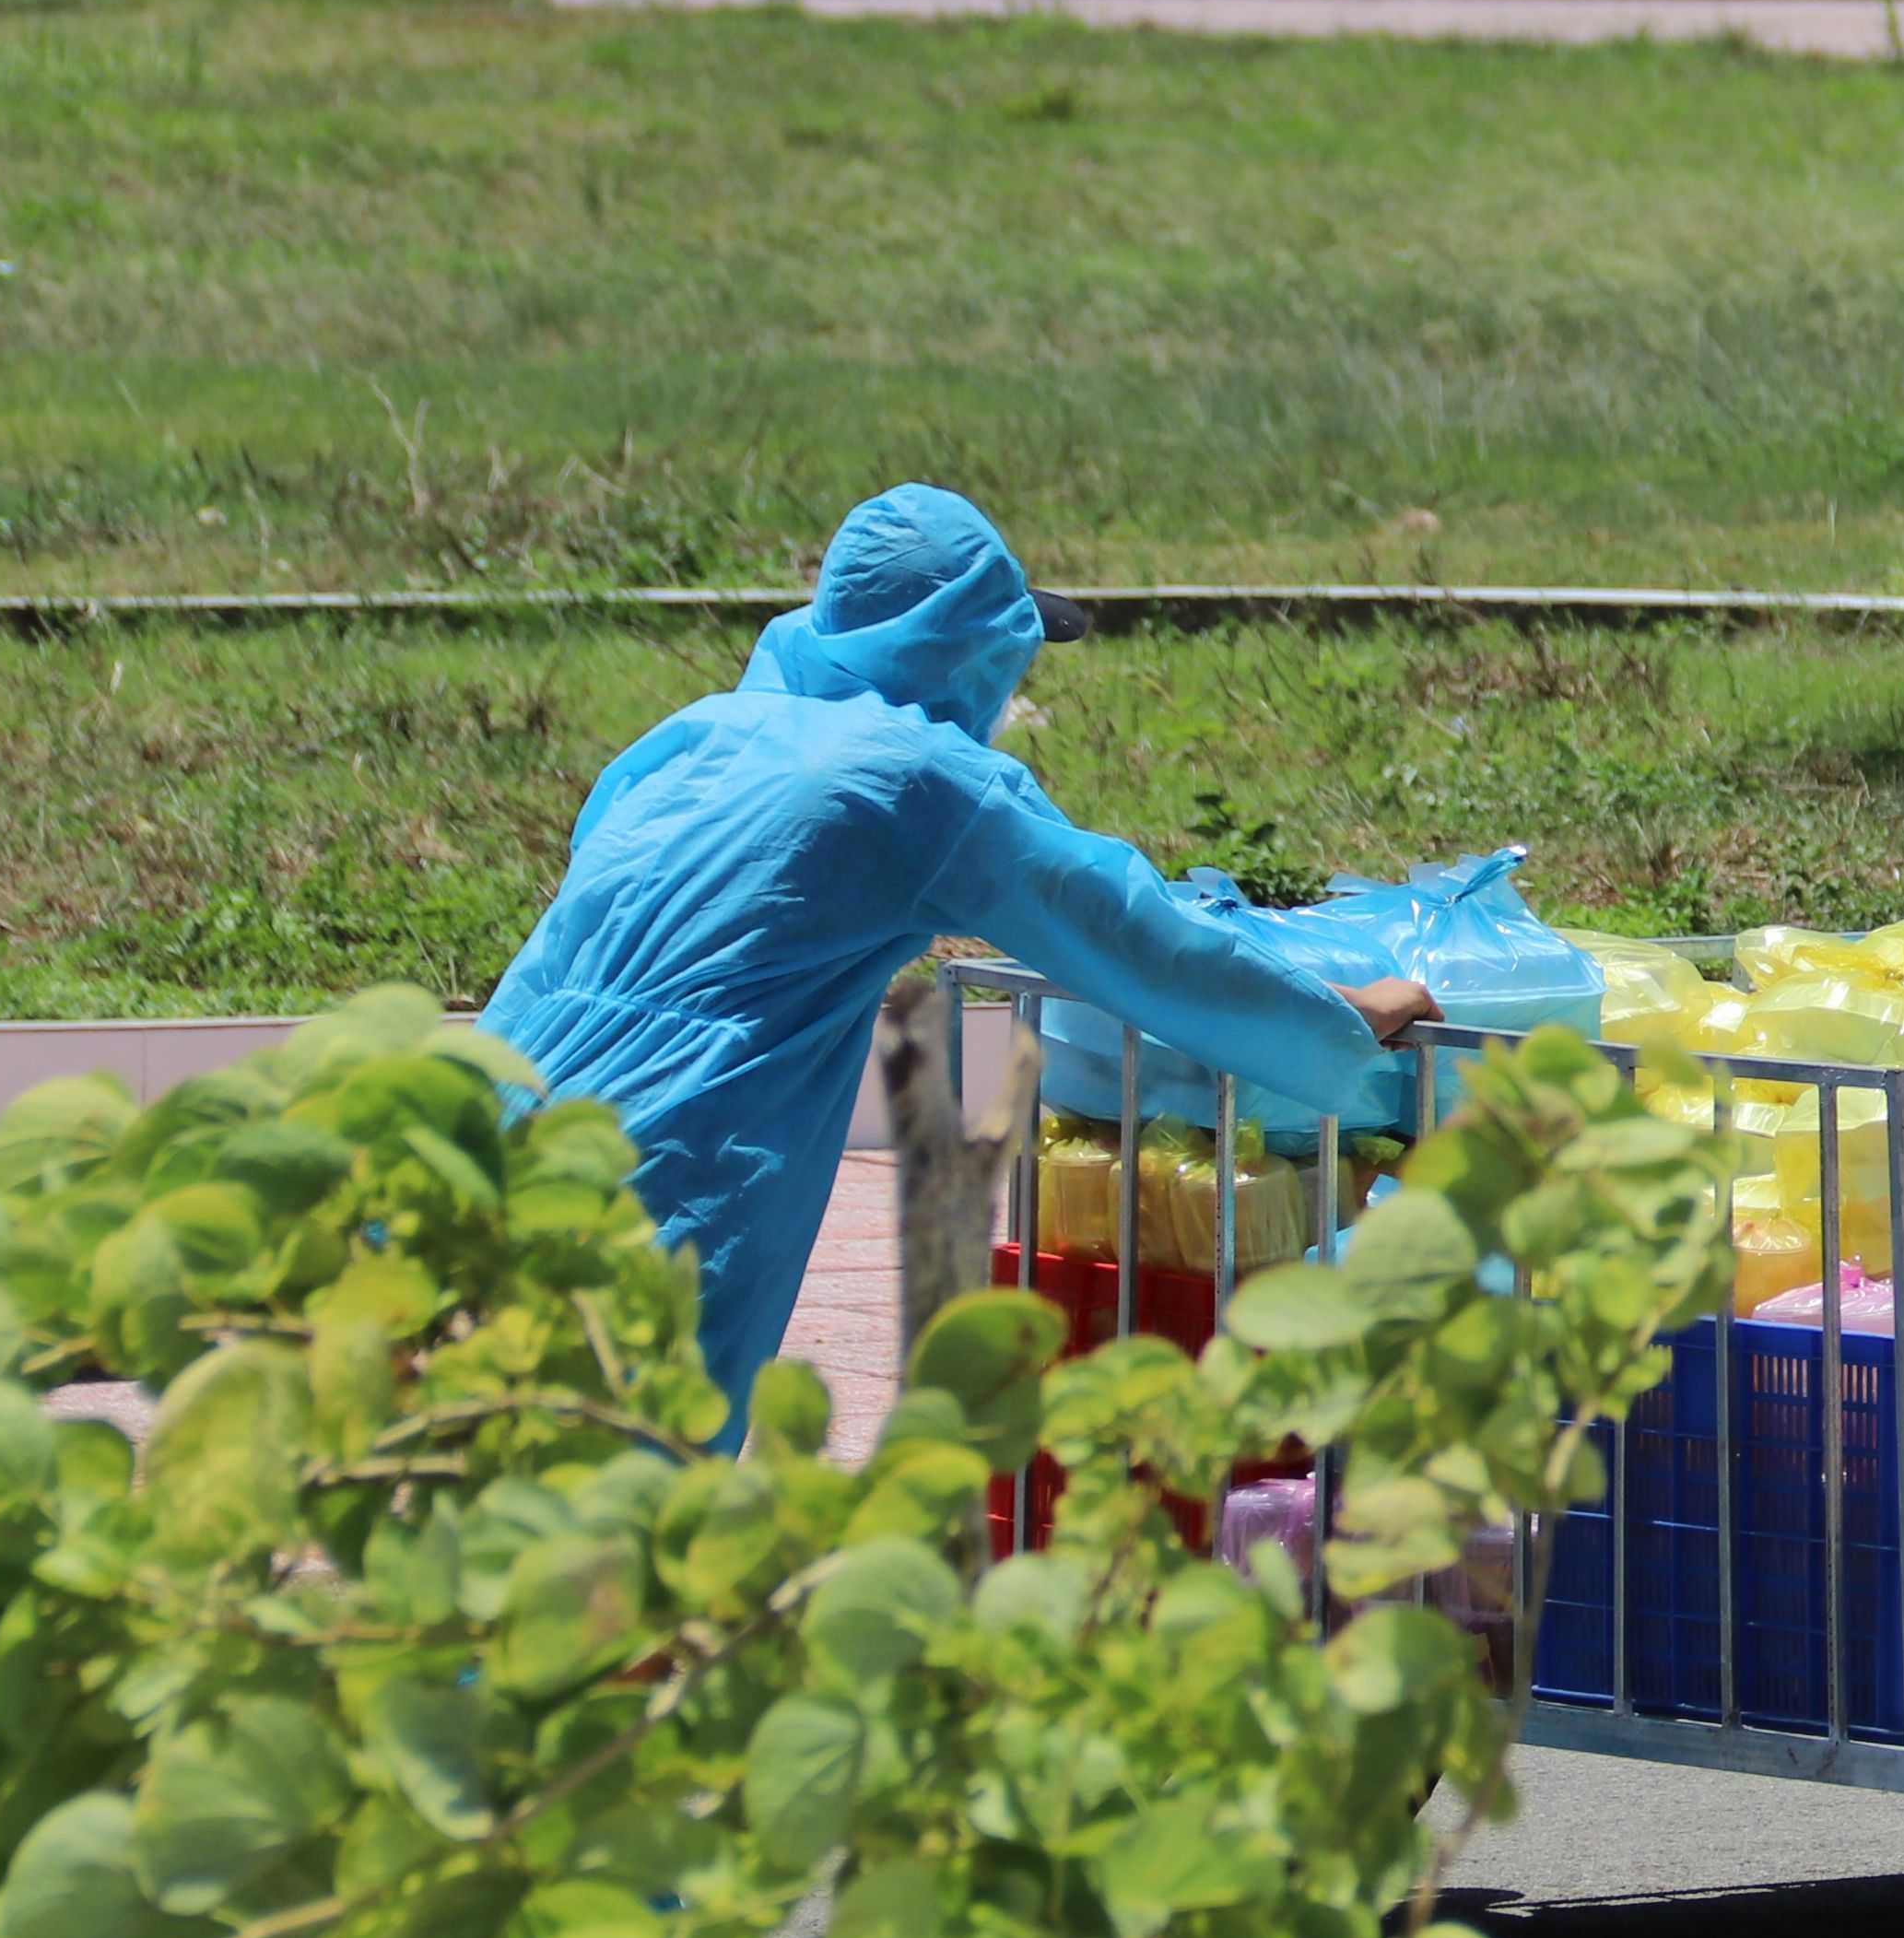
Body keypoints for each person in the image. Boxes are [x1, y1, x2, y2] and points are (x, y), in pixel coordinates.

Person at [485, 485, 1439, 1422]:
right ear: (974, 653)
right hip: (670, 1147)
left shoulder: (699, 732)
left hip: (485, 1109)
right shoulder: (914, 781)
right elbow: (1137, 937)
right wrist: (1347, 1020)